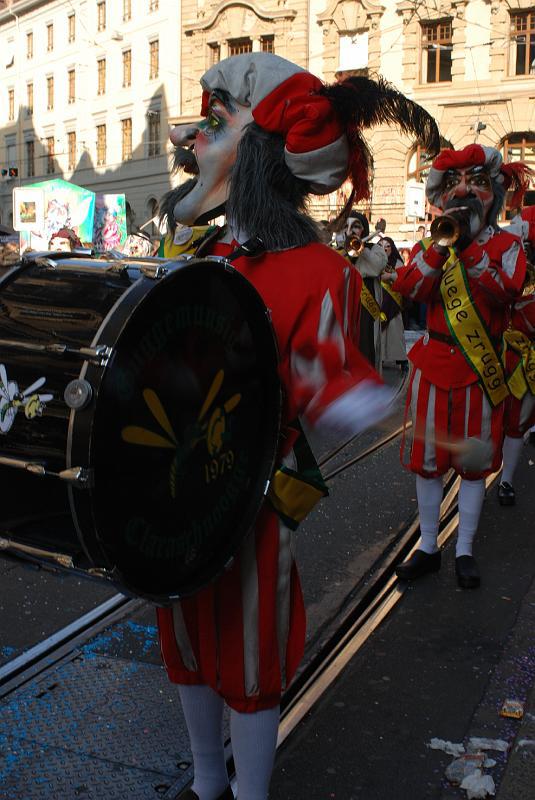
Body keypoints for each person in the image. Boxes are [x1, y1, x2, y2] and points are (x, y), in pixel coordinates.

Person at [156, 52, 439, 800]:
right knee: (185, 638)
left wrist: (362, 401)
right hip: (179, 489)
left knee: (250, 651)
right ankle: (207, 782)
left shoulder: (319, 269)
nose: (189, 138)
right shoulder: (202, 253)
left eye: (215, 125)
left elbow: (326, 388)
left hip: (253, 495)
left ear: (257, 154)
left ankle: (248, 792)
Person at [389, 144, 529, 590]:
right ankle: (428, 545)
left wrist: (469, 251)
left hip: (478, 372)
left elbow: (507, 292)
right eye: (453, 183)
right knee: (428, 462)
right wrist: (441, 247)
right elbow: (412, 289)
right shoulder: (429, 245)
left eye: (477, 182)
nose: (464, 191)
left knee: (472, 464)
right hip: (433, 369)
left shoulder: (507, 245)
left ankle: (464, 548)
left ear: (495, 194)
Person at [498, 205, 535, 504]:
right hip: (496, 353)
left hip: (527, 359)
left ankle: (506, 480)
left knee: (517, 422)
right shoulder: (505, 258)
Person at [346, 211, 388, 373]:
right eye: (347, 226)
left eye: (356, 226)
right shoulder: (339, 250)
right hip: (345, 303)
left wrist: (361, 249)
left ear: (363, 230)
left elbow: (377, 267)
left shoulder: (374, 249)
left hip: (365, 309)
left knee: (366, 345)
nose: (351, 230)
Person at [379, 236, 408, 372]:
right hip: (378, 301)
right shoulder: (375, 261)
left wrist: (390, 276)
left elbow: (403, 277)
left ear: (392, 248)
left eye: (387, 246)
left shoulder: (397, 262)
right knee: (380, 331)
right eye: (381, 245)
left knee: (395, 331)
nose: (384, 249)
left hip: (393, 303)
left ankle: (401, 358)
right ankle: (380, 357)